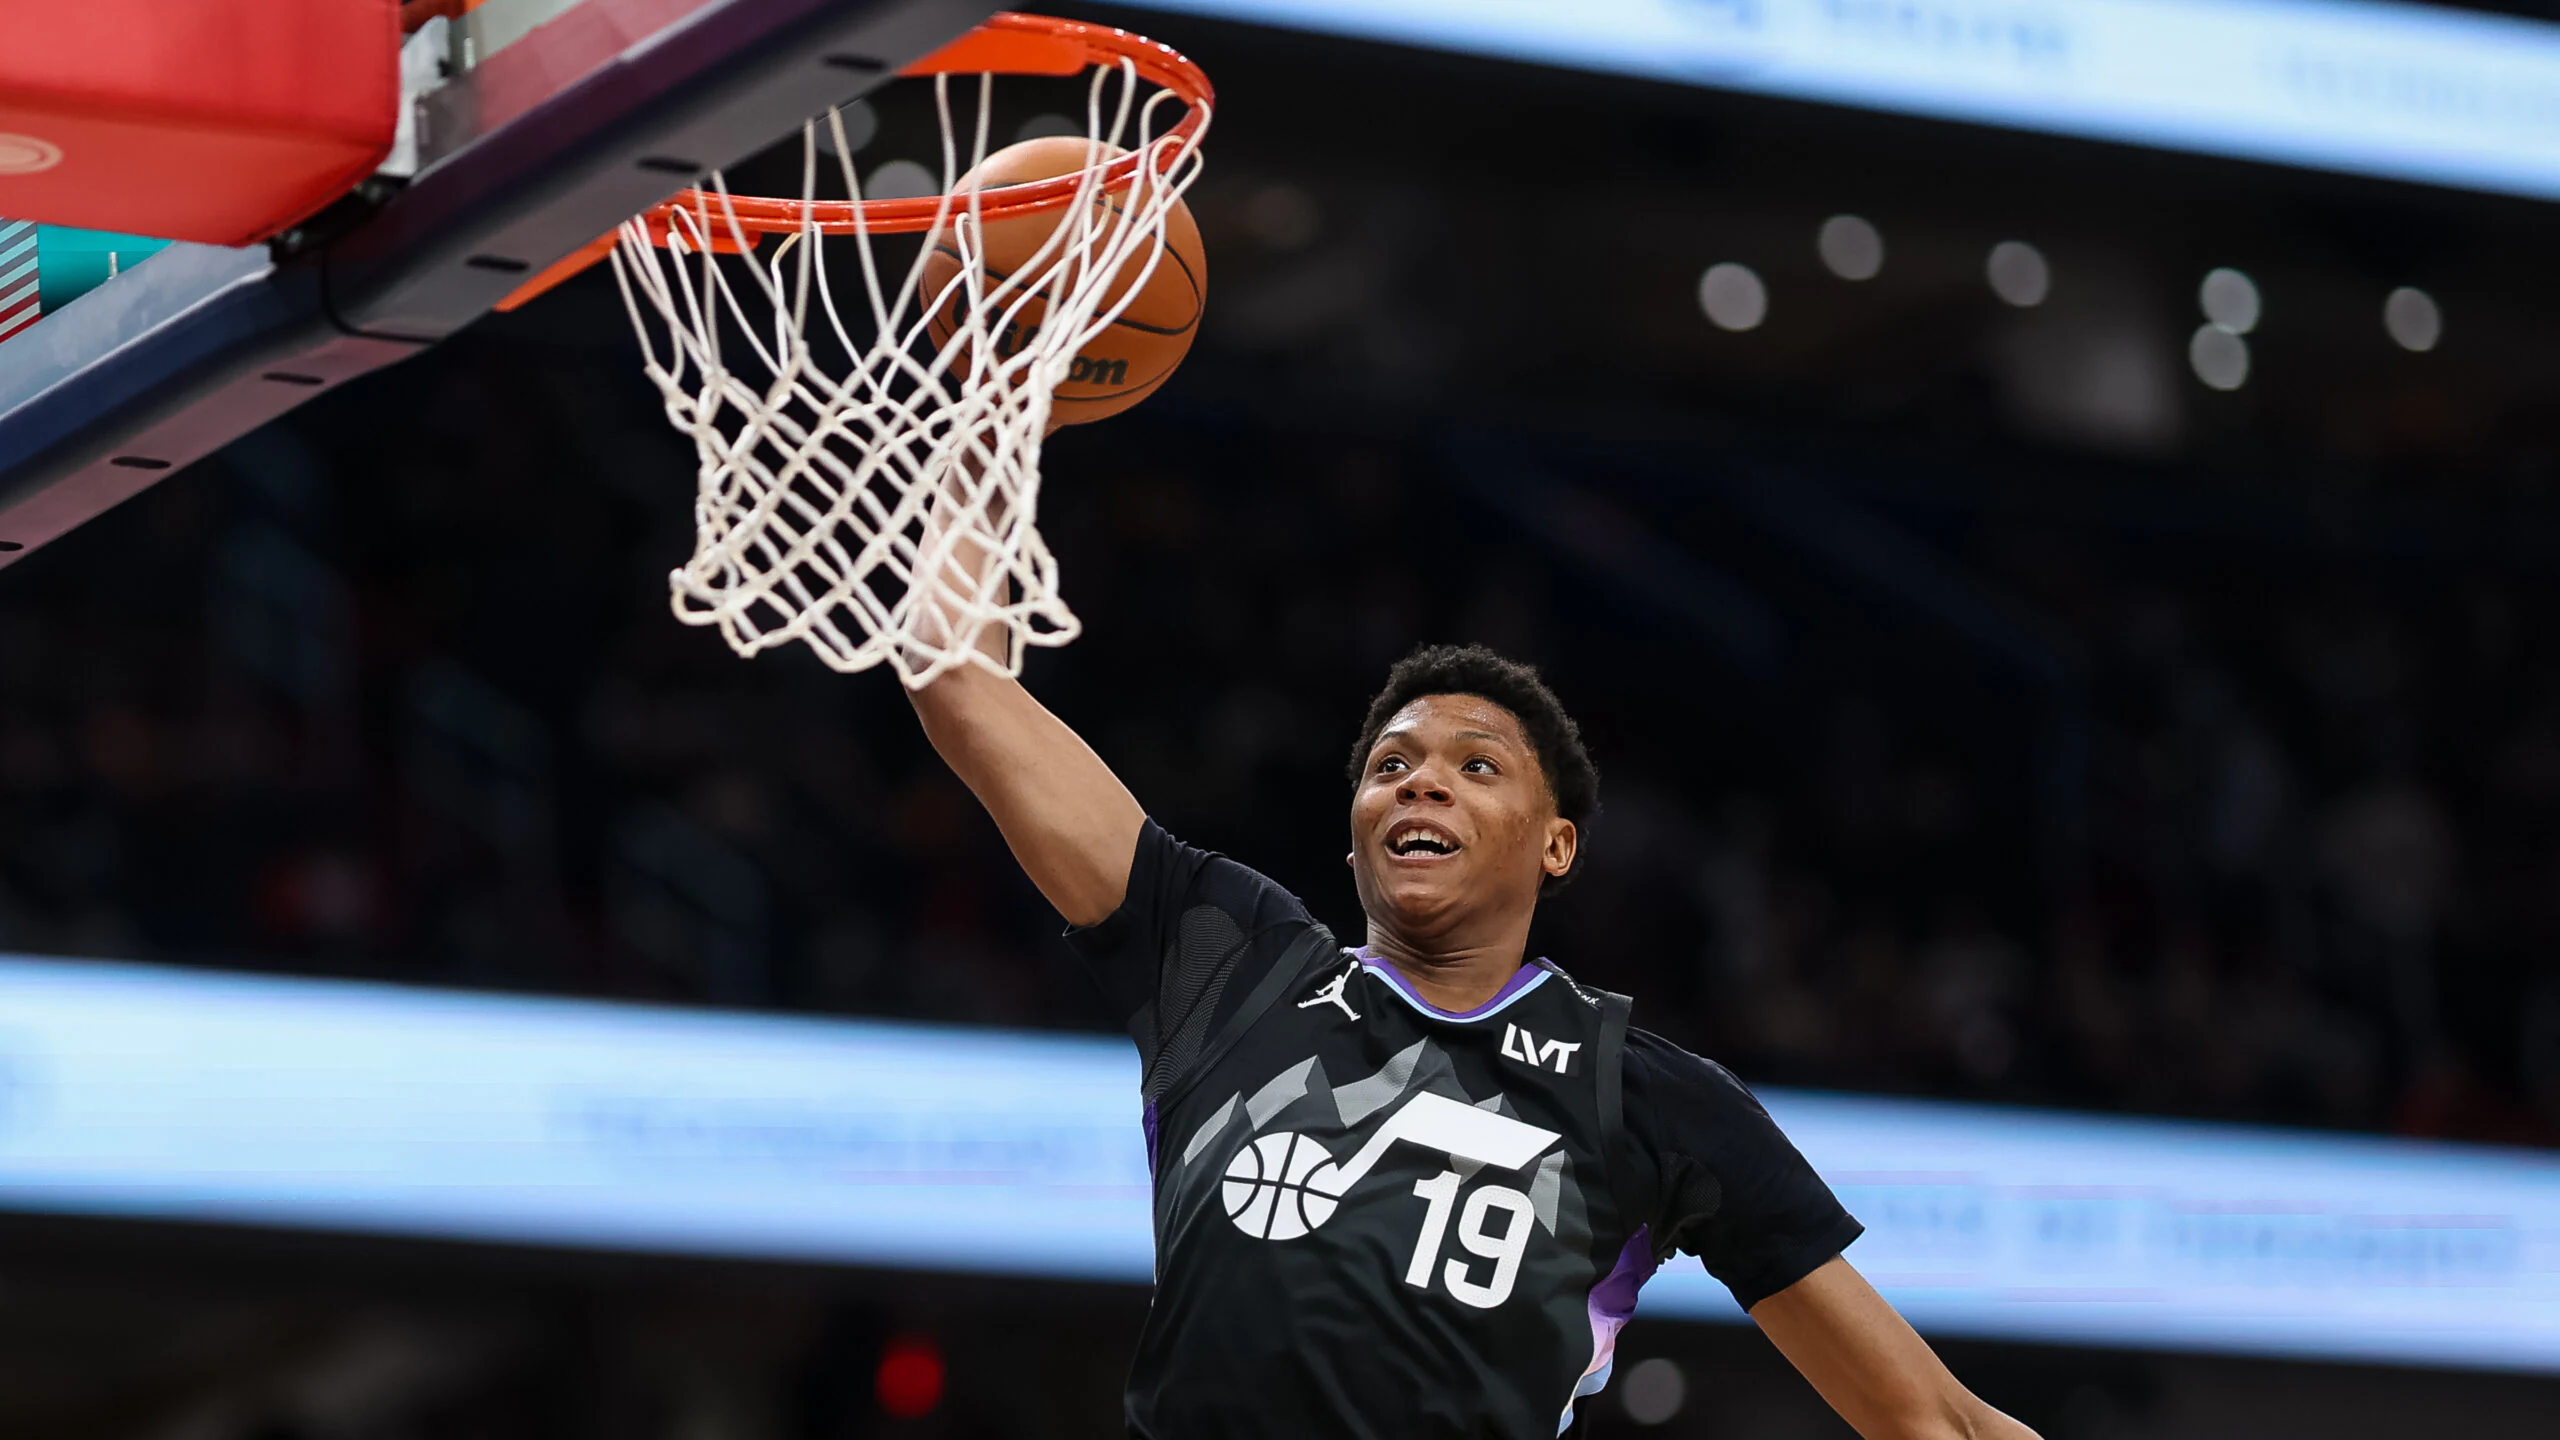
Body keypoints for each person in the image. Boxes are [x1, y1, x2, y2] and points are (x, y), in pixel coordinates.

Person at [908, 638, 2039, 1439]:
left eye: (1476, 766)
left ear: (1556, 845)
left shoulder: (1645, 1096)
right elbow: (960, 681)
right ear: (1355, 836)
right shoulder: (1233, 965)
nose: (1422, 784)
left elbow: (1938, 1421)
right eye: (1390, 767)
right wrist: (988, 432)